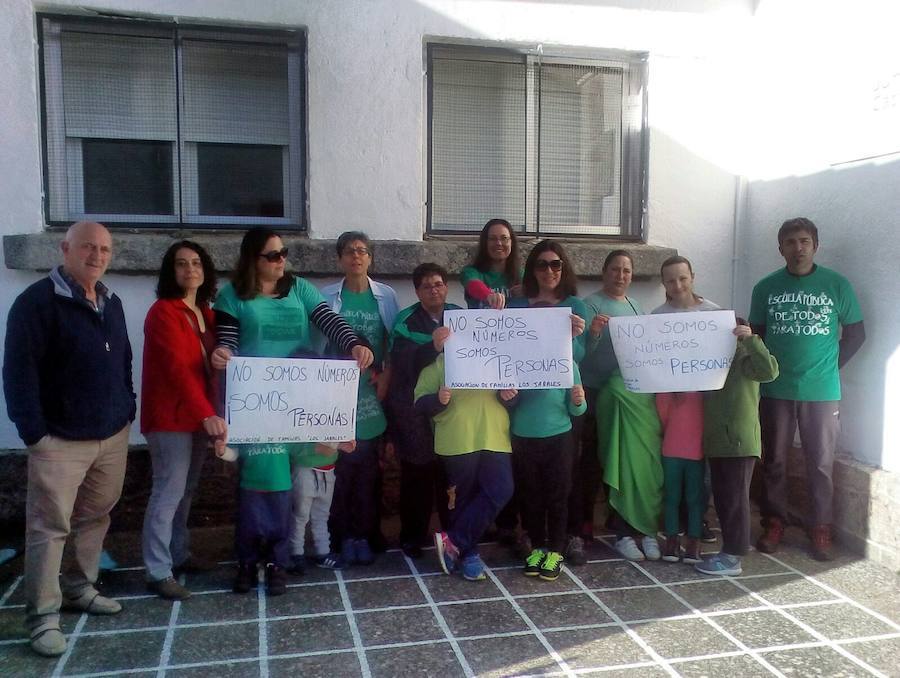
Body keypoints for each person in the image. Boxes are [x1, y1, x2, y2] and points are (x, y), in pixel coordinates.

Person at [210, 228, 373, 592]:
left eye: (283, 252)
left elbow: (331, 323)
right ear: (252, 259)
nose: (281, 259)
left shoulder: (299, 288)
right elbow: (228, 341)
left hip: (299, 400)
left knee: (291, 489)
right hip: (255, 403)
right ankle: (248, 558)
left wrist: (354, 344)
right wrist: (223, 353)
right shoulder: (232, 295)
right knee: (255, 487)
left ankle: (279, 558)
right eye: (272, 255)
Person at [3, 221, 135, 657]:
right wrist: (34, 434)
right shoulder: (35, 303)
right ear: (65, 249)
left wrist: (127, 409)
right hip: (58, 441)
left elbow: (123, 362)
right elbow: (18, 373)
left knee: (95, 517)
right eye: (87, 247)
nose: (97, 256)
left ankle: (80, 588)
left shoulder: (111, 302)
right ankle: (42, 618)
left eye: (104, 249)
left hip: (111, 435)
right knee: (49, 528)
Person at [749, 217, 865, 561]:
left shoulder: (837, 285)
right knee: (775, 460)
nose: (797, 248)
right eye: (790, 242)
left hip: (822, 391)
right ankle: (774, 523)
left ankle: (820, 528)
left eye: (804, 241)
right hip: (776, 389)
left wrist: (828, 367)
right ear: (780, 248)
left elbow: (856, 334)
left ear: (815, 246)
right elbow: (757, 338)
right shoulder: (765, 288)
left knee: (821, 463)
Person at [141, 241, 226, 601]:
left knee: (186, 491)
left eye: (196, 263)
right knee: (168, 490)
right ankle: (158, 570)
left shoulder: (204, 312)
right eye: (181, 264)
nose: (190, 269)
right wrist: (207, 414)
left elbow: (209, 370)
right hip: (171, 418)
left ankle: (178, 554)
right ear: (170, 271)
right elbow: (178, 370)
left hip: (197, 417)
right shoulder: (163, 312)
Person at [507, 241, 587, 580]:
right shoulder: (517, 306)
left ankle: (556, 548)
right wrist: (507, 395)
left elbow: (576, 367)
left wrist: (578, 398)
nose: (549, 270)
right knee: (530, 493)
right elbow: (503, 357)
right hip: (524, 429)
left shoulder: (574, 309)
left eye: (556, 264)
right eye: (542, 264)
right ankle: (537, 546)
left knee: (559, 491)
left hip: (559, 429)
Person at [320, 231, 399, 566]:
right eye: (349, 251)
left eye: (362, 251)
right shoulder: (326, 296)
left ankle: (364, 535)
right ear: (340, 258)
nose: (356, 256)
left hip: (369, 397)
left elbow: (393, 343)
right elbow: (318, 346)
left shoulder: (386, 296)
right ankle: (339, 537)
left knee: (367, 472)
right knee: (338, 473)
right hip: (335, 399)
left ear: (370, 258)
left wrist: (386, 380)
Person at [415, 349, 517, 582]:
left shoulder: (497, 359)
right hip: (457, 438)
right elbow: (419, 403)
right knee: (461, 499)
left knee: (502, 488)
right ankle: (469, 554)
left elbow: (513, 399)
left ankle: (454, 541)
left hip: (494, 435)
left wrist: (509, 396)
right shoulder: (438, 366)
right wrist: (438, 400)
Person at [696, 319, 779, 576]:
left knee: (735, 500)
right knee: (724, 499)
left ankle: (734, 556)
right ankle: (729, 550)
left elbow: (770, 372)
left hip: (740, 442)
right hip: (717, 441)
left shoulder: (746, 358)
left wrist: (751, 340)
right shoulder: (710, 361)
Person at [387, 263, 459, 558]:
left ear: (447, 287)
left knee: (449, 474)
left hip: (451, 405)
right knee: (417, 475)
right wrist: (432, 346)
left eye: (439, 284)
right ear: (417, 292)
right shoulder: (405, 321)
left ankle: (453, 533)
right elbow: (403, 362)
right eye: (427, 286)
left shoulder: (459, 315)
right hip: (413, 409)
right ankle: (412, 537)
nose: (434, 290)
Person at [652, 256, 720, 563]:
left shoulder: (714, 314)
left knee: (697, 490)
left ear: (692, 276)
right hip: (673, 417)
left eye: (682, 278)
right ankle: (672, 537)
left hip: (704, 415)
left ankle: (694, 536)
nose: (677, 285)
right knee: (673, 491)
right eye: (670, 280)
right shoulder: (657, 318)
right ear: (663, 283)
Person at [288, 440, 356, 573]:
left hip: (328, 467)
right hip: (304, 467)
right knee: (300, 515)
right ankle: (296, 554)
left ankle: (323, 552)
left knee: (321, 514)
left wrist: (342, 444)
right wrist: (316, 448)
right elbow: (291, 444)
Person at [460, 218, 522, 310]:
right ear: (485, 243)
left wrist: (529, 291)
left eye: (504, 238)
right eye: (492, 239)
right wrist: (489, 295)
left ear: (511, 242)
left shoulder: (522, 274)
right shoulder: (470, 272)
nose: (499, 243)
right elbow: (473, 284)